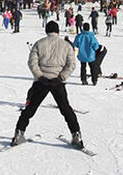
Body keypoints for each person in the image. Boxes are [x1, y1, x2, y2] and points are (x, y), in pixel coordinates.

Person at [12, 21, 83, 149]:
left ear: (46, 30)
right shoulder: (66, 45)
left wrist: (40, 76)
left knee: (30, 108)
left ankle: (19, 133)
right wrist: (61, 77)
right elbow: (71, 64)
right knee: (66, 109)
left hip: (42, 81)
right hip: (57, 81)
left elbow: (32, 63)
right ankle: (76, 135)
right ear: (58, 31)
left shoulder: (39, 43)